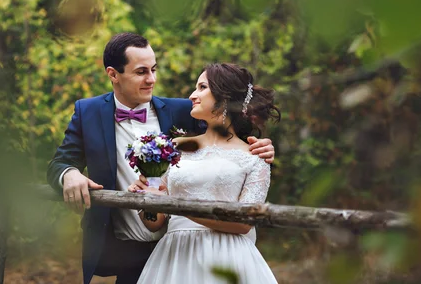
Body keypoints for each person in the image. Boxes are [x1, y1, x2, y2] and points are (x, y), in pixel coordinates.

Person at [46, 33, 276, 284]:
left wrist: (262, 147)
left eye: (154, 69)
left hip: (191, 250)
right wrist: (69, 173)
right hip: (126, 251)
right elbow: (61, 161)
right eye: (141, 72)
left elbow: (225, 134)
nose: (152, 79)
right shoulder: (87, 112)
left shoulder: (183, 111)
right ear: (113, 74)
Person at [128, 63, 280, 284]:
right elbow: (155, 222)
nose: (192, 95)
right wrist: (145, 200)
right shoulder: (175, 147)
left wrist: (174, 203)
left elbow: (244, 223)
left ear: (225, 96)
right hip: (175, 258)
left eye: (201, 87)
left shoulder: (256, 156)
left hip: (228, 258)